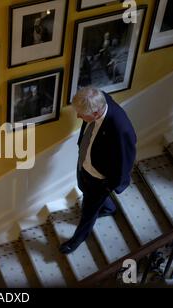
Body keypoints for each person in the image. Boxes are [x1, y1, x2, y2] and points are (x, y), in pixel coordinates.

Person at [59, 86, 136, 254]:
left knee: (89, 210)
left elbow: (125, 163)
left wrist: (109, 186)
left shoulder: (120, 128)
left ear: (95, 113)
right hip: (85, 165)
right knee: (83, 188)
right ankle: (109, 208)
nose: (78, 116)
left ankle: (78, 238)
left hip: (100, 179)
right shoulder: (100, 99)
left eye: (81, 114)